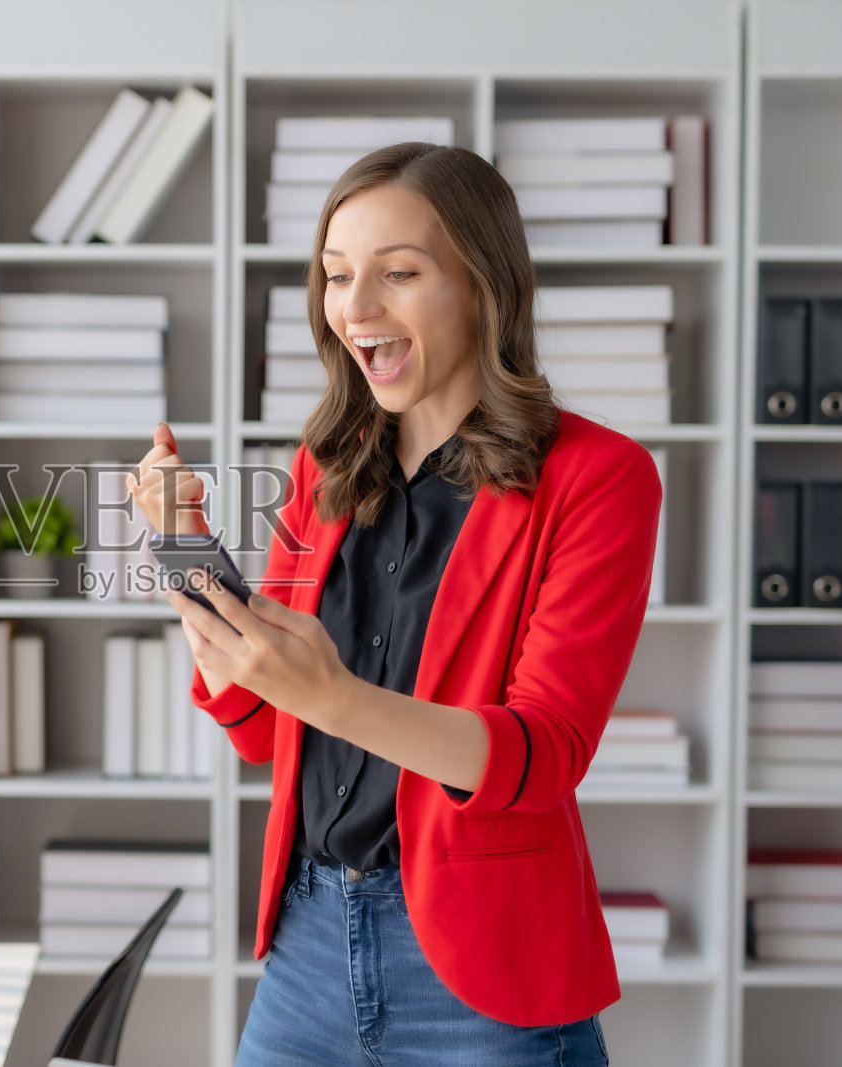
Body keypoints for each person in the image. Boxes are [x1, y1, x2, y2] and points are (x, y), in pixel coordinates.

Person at [126, 141, 661, 1066]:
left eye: (398, 273)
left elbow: (542, 756)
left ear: (482, 284)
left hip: (480, 983)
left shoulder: (599, 477)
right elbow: (260, 722)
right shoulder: (327, 464)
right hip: (306, 952)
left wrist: (337, 697)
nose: (356, 309)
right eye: (337, 277)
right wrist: (183, 548)